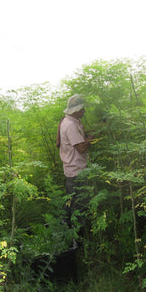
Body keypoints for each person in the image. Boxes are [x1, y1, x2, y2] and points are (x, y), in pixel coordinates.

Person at [57, 94, 94, 235]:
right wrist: (89, 139)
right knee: (79, 205)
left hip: (72, 169)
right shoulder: (71, 125)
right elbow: (82, 148)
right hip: (76, 171)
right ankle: (79, 236)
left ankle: (66, 231)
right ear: (76, 110)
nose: (84, 111)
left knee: (70, 202)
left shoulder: (72, 121)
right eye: (82, 109)